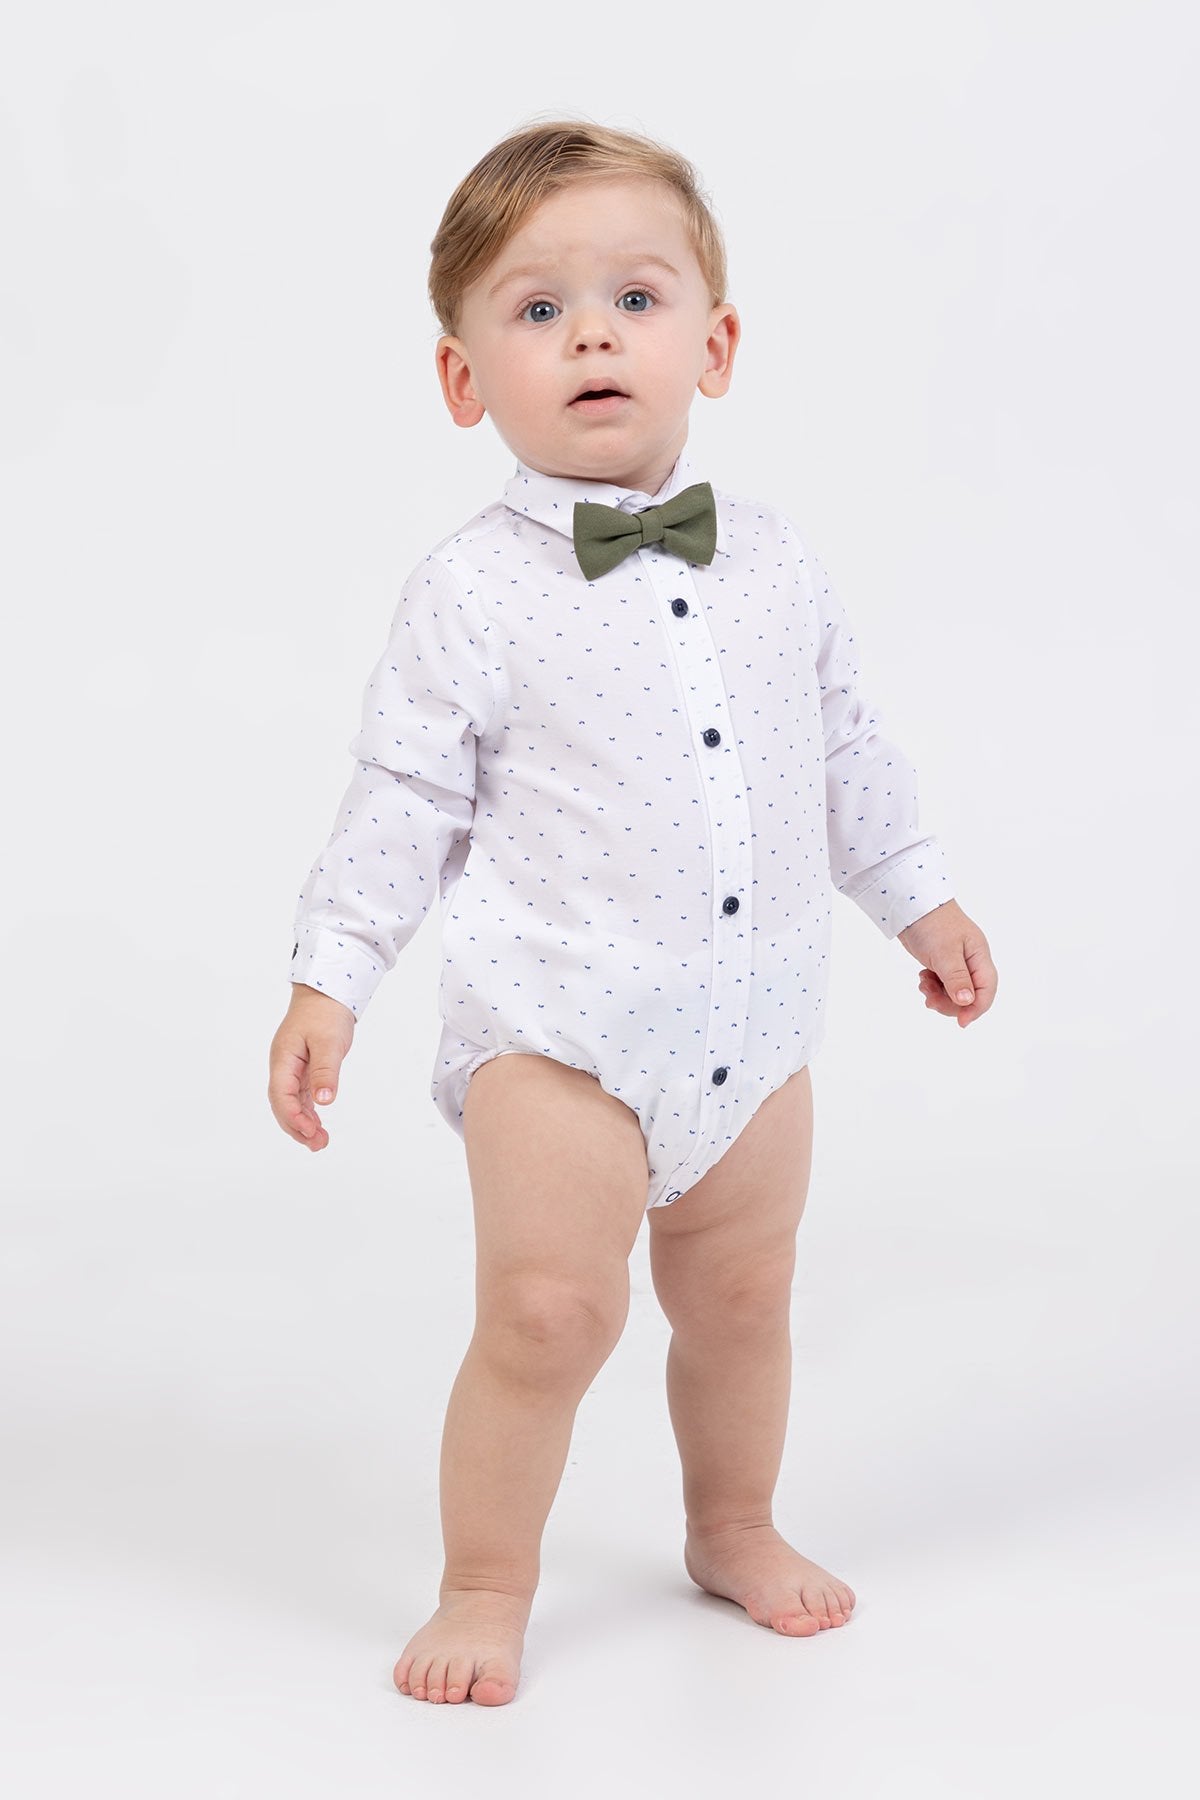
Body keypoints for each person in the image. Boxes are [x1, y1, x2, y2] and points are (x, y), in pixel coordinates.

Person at [267, 118, 998, 1708]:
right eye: (538, 309)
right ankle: (485, 1581)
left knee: (742, 1298)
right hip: (562, 1033)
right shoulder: (469, 590)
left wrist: (919, 898)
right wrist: (333, 979)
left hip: (756, 1022)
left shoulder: (779, 565)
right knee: (547, 1312)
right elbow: (403, 798)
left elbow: (845, 750)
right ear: (464, 379)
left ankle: (733, 1522)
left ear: (714, 346)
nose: (592, 334)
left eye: (636, 298)